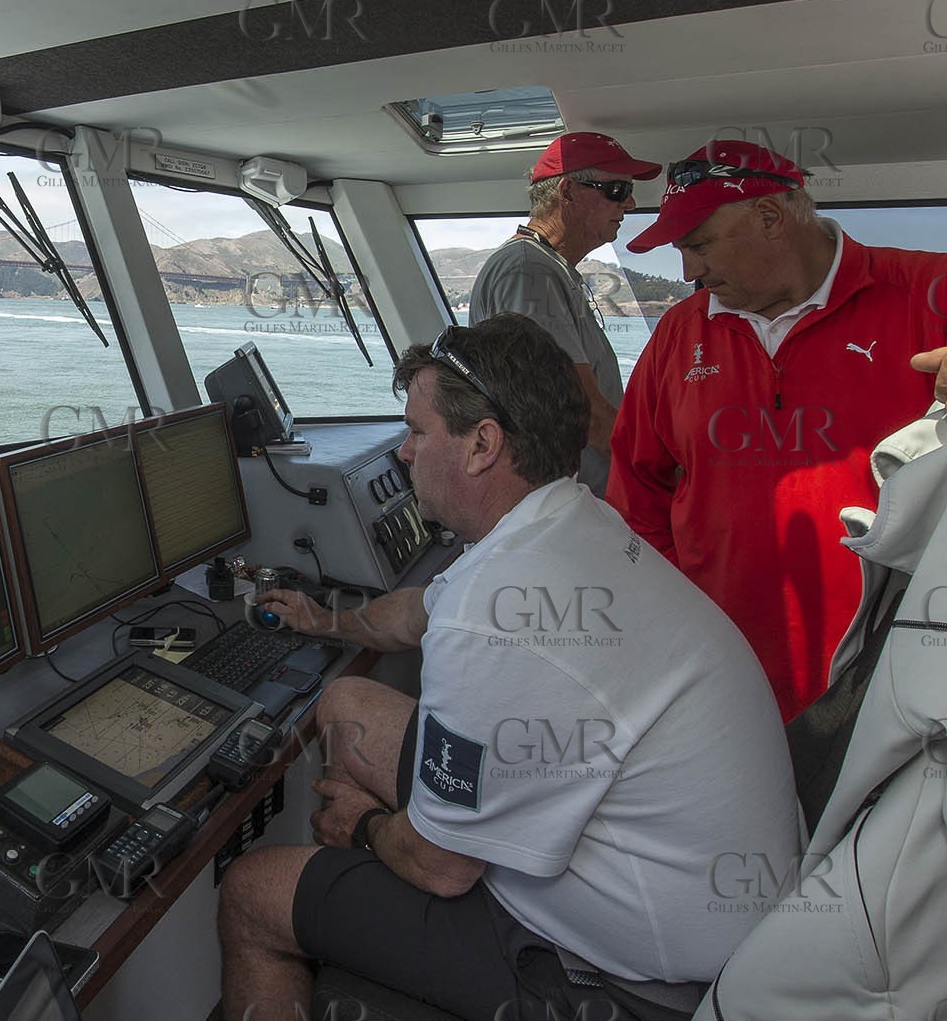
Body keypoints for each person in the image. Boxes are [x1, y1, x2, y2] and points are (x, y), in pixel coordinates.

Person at [217, 315, 800, 1021]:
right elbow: (418, 610)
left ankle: (356, 898)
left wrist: (368, 828)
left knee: (251, 892)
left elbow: (442, 868)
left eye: (419, 431)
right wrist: (327, 621)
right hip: (687, 877)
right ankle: (378, 886)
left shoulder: (492, 619)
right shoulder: (569, 523)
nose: (403, 451)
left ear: (482, 445)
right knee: (344, 704)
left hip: (638, 975)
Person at [609, 139, 947, 722]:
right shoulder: (678, 332)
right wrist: (675, 612)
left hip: (894, 662)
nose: (688, 271)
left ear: (768, 217)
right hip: (720, 660)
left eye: (698, 245)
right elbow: (636, 488)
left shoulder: (926, 290)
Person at [468, 131, 661, 496]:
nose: (630, 203)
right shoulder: (529, 271)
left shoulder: (547, 267)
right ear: (568, 191)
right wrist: (662, 481)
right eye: (617, 190)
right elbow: (581, 409)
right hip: (567, 505)